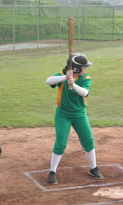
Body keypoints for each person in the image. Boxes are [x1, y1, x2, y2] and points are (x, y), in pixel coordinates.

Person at [44, 53, 103, 184]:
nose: (86, 69)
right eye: (83, 67)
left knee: (88, 140)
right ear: (76, 68)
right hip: (63, 114)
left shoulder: (86, 78)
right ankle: (52, 171)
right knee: (61, 143)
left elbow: (84, 92)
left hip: (79, 114)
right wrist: (65, 77)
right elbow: (48, 81)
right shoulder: (62, 76)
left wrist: (73, 84)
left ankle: (93, 168)